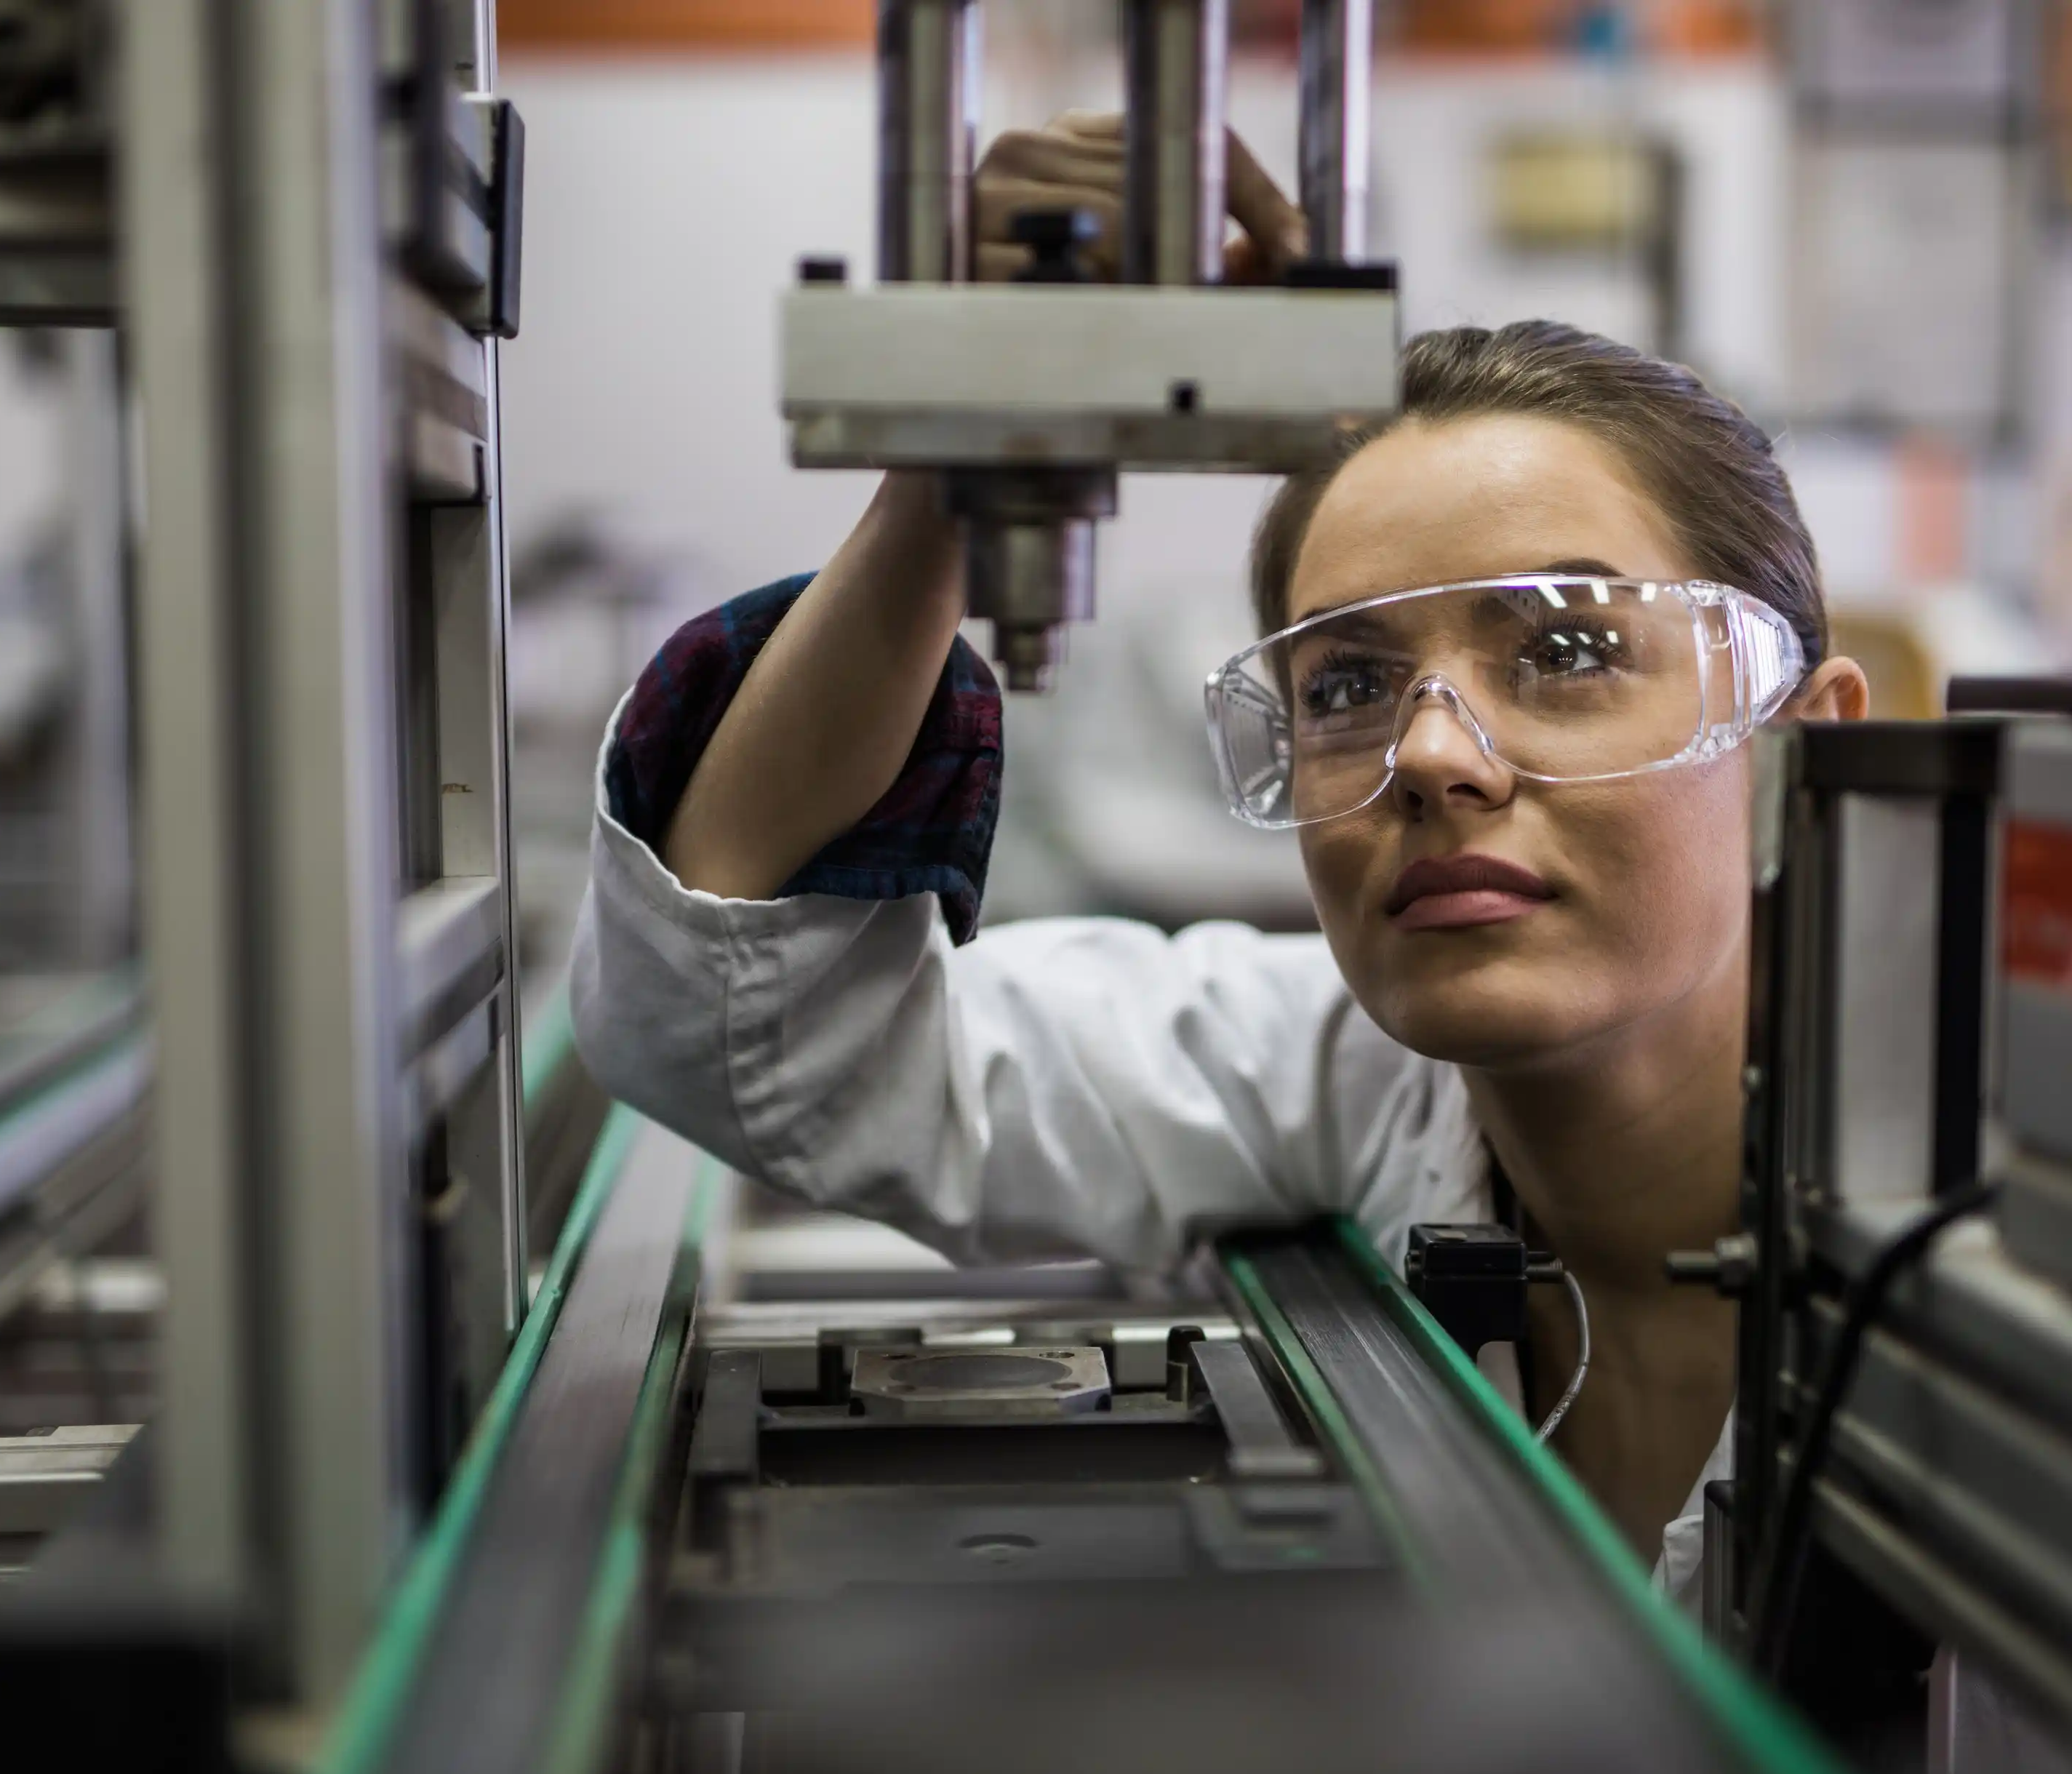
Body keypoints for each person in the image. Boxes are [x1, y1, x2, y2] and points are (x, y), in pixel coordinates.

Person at [570, 113, 1869, 1601]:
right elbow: (742, 1027)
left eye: (1568, 649)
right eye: (1346, 685)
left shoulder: (2042, 1249)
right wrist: (952, 456)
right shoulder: (1350, 1082)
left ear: (1803, 754)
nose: (1435, 753)